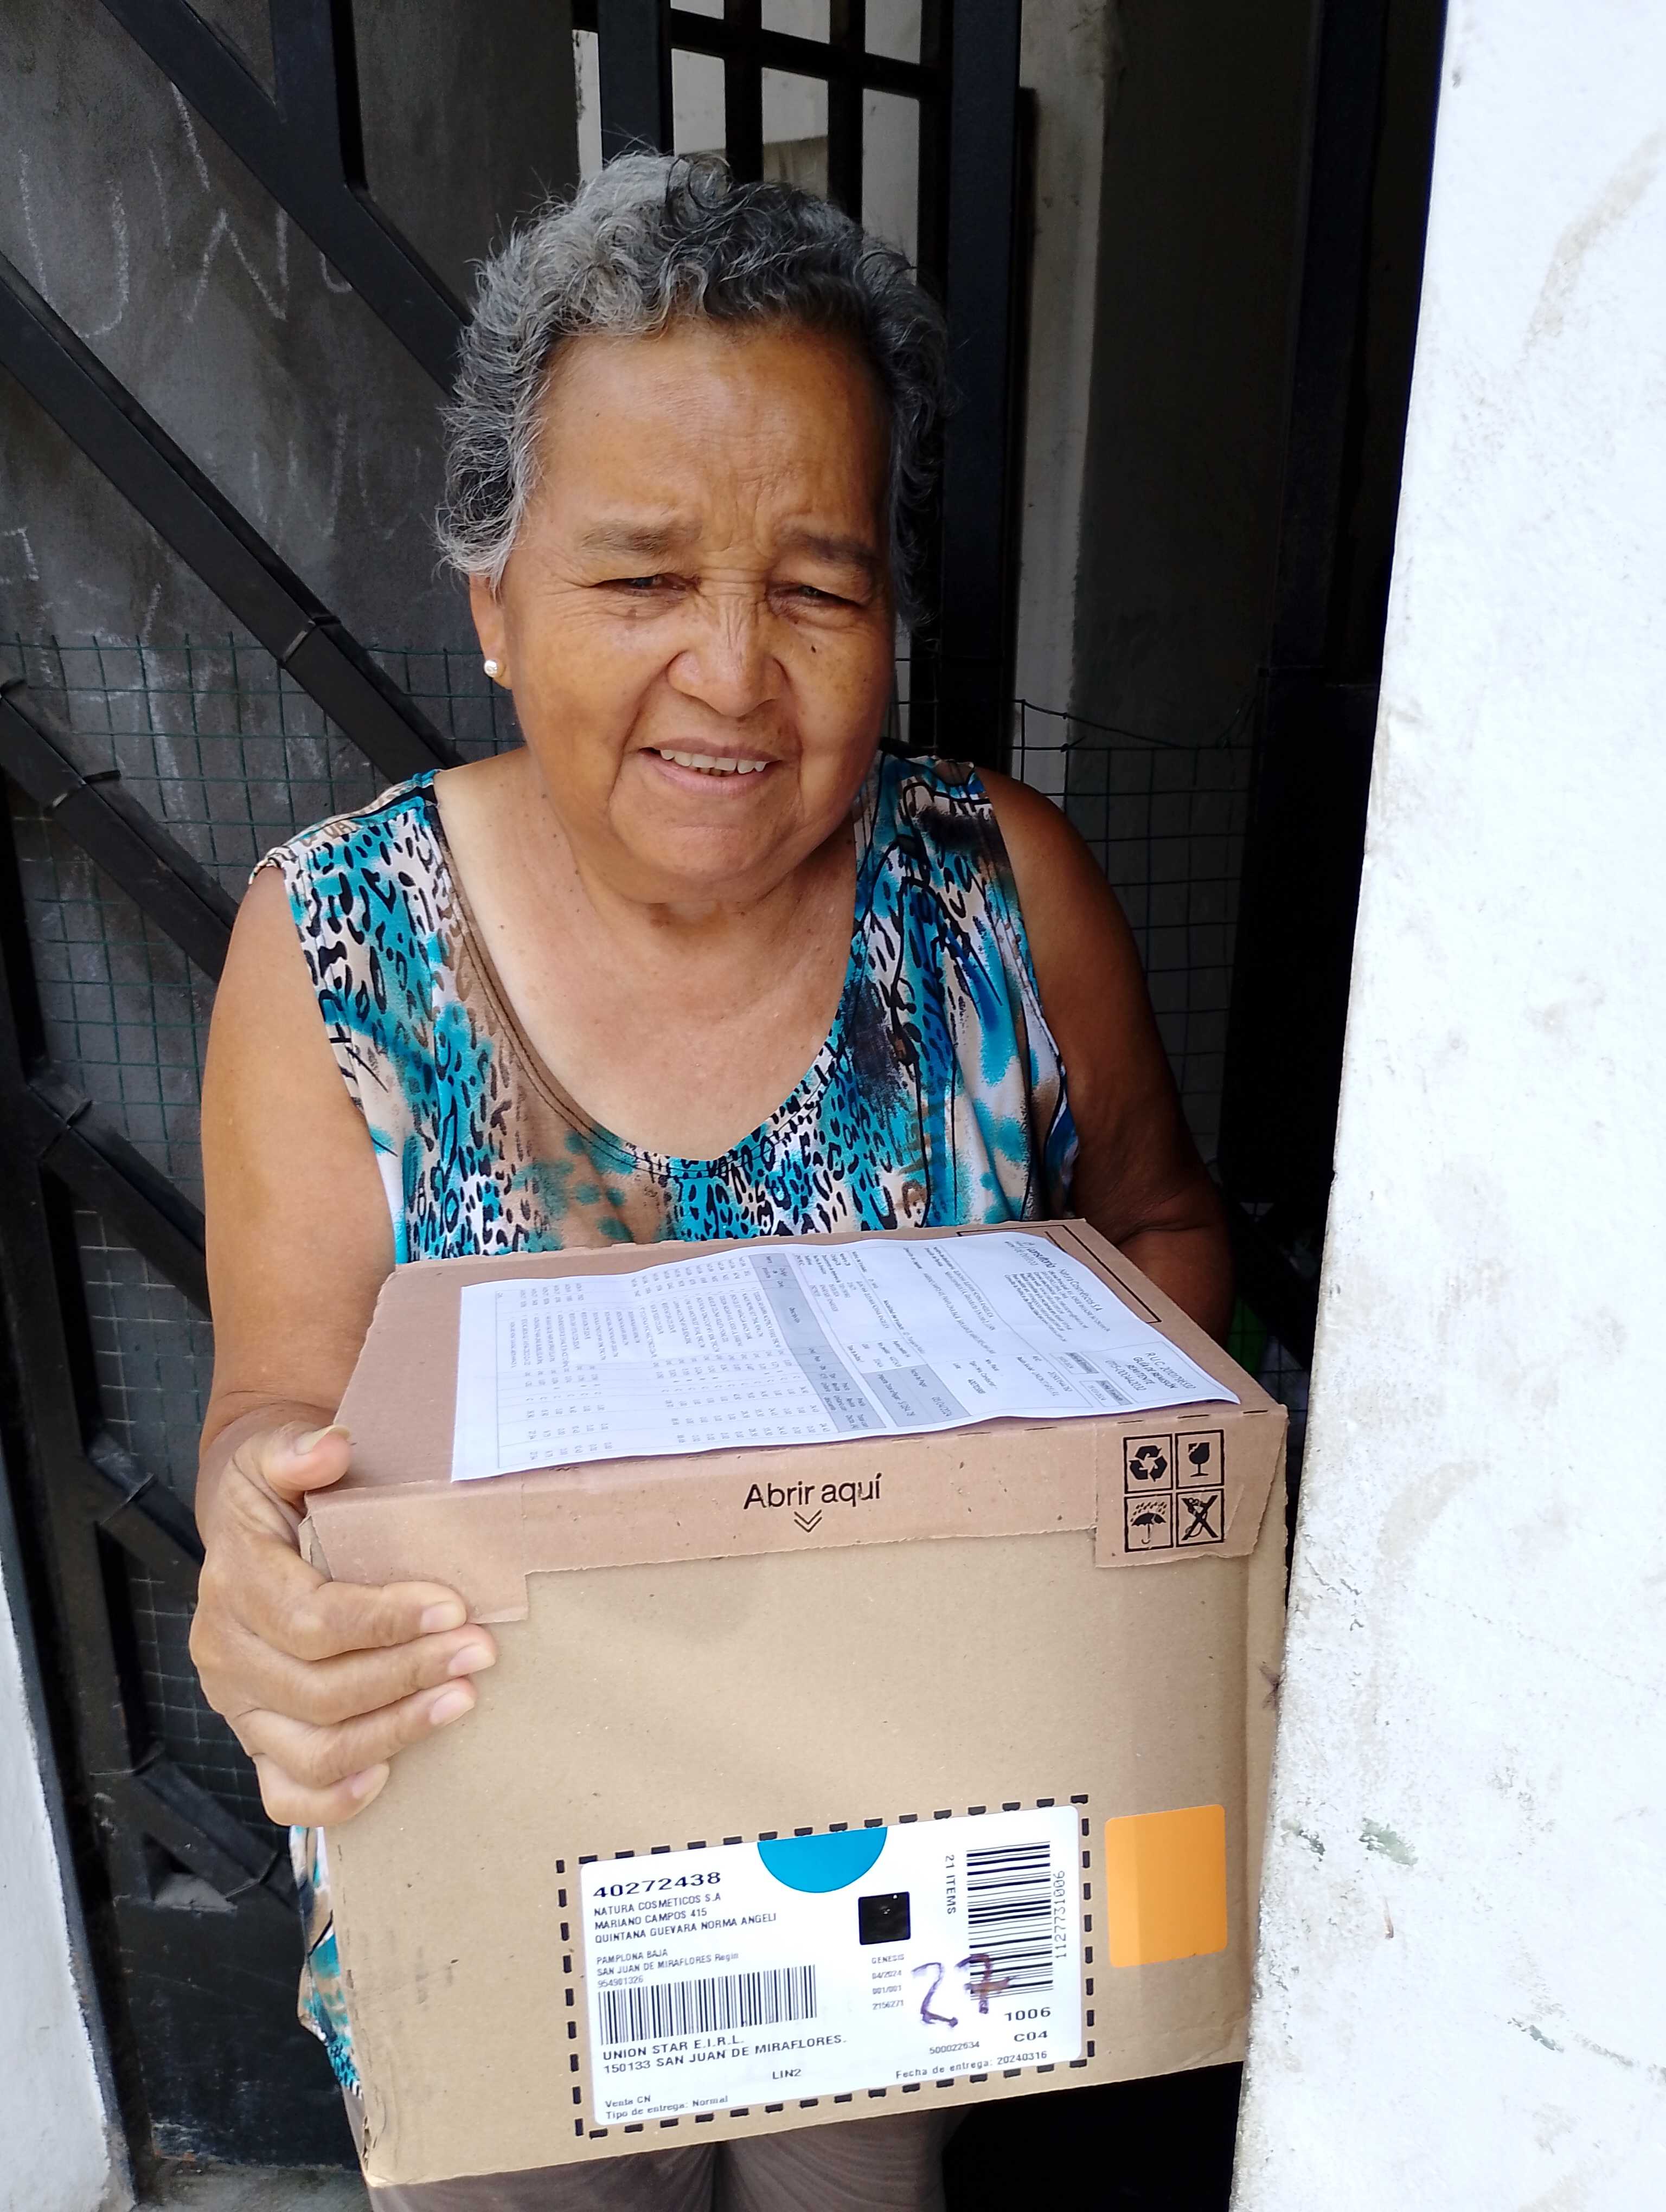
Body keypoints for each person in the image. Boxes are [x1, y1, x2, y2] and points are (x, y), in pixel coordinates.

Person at [190, 155, 1231, 2210]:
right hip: (502, 1872)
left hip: (903, 1872)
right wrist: (266, 1569)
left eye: (818, 589)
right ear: (495, 603)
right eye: (644, 579)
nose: (737, 671)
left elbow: (1170, 1229)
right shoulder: (335, 954)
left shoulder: (1002, 899)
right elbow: (275, 1414)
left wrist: (1072, 1469)